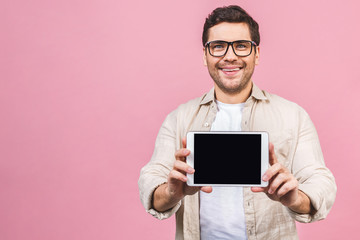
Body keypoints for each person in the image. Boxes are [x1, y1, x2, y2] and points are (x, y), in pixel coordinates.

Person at [138, 5, 336, 240]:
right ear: (205, 55)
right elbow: (151, 179)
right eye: (218, 46)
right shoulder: (178, 118)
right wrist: (170, 193)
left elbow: (320, 181)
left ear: (257, 53)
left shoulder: (294, 116)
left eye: (241, 46)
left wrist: (295, 199)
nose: (230, 56)